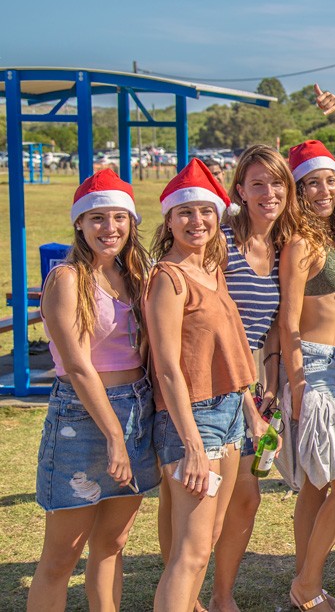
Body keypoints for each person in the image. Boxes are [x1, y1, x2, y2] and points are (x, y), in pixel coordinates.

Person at [28, 170, 159, 612]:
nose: (110, 228)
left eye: (119, 218)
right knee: (62, 556)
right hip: (84, 421)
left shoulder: (133, 274)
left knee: (112, 543)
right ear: (79, 224)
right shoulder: (67, 279)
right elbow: (80, 368)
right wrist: (114, 437)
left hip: (136, 409)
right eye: (97, 218)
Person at [145, 159, 267, 612]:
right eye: (185, 213)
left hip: (230, 414)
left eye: (206, 212)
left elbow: (229, 351)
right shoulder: (169, 278)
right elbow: (168, 369)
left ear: (219, 217)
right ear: (169, 219)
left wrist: (250, 410)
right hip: (192, 420)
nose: (197, 221)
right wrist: (192, 444)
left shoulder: (212, 270)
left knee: (209, 538)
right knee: (191, 553)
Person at [278, 84, 335, 612]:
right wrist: (297, 388)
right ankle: (308, 587)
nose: (322, 191)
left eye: (328, 181)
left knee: (317, 483)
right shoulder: (300, 243)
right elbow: (289, 322)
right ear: (297, 191)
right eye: (310, 184)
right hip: (312, 371)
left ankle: (302, 586)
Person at [204, 144, 301, 612]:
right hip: (210, 387)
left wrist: (271, 391)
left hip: (255, 388)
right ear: (239, 190)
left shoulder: (281, 248)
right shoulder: (220, 242)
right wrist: (247, 398)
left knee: (245, 501)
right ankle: (183, 596)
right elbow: (213, 329)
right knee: (204, 505)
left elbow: (274, 330)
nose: (268, 192)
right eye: (257, 183)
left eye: (277, 182)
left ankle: (222, 596)